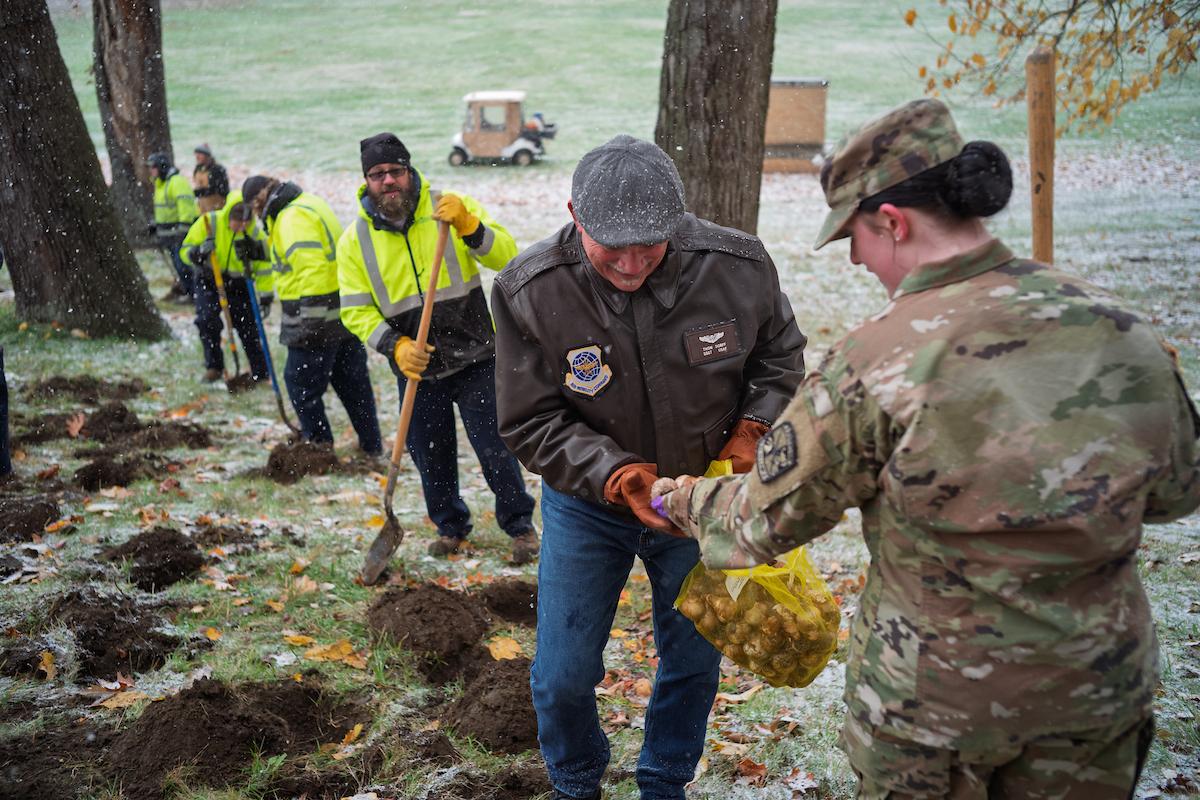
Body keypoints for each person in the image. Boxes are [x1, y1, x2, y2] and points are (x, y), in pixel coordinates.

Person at [654, 98, 1200, 799]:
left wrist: (682, 498)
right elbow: (1178, 491)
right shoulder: (1118, 328)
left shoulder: (875, 359)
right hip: (1095, 695)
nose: (856, 258)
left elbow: (763, 520)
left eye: (854, 237)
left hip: (935, 711)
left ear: (893, 221)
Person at [491, 134, 807, 800]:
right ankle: (576, 781)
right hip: (590, 503)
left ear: (678, 220)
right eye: (613, 248)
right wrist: (617, 475)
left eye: (651, 246)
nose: (632, 265)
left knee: (692, 659)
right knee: (562, 674)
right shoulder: (531, 289)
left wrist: (753, 431)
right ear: (575, 216)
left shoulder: (737, 266)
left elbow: (779, 358)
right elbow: (529, 419)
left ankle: (665, 781)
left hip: (702, 499)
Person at [337, 133, 538, 563]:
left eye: (395, 171)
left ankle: (520, 525)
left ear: (409, 171)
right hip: (417, 366)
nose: (388, 181)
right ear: (366, 180)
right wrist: (394, 346)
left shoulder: (450, 208)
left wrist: (471, 228)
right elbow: (354, 310)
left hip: (475, 354)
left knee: (496, 447)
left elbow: (506, 257)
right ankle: (450, 527)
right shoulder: (355, 240)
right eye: (377, 174)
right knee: (430, 454)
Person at [242, 174, 382, 456]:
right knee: (352, 383)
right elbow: (299, 255)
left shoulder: (291, 218)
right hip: (342, 311)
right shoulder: (306, 204)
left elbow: (313, 268)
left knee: (300, 384)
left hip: (317, 318)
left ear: (259, 201)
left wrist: (311, 324)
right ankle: (371, 445)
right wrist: (259, 251)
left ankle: (319, 448)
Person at [180, 190, 274, 382]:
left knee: (248, 327)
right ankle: (214, 367)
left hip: (239, 284)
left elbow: (264, 268)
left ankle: (260, 371)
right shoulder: (209, 223)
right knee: (207, 321)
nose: (241, 226)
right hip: (209, 279)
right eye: (237, 221)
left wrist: (266, 296)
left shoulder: (254, 234)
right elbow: (184, 251)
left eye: (246, 222)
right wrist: (198, 253)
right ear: (229, 214)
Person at [147, 152, 198, 301]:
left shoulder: (176, 182)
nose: (150, 171)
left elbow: (185, 207)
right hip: (170, 235)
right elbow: (165, 210)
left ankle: (195, 294)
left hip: (179, 234)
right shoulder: (160, 184)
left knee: (184, 266)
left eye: (153, 167)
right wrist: (156, 225)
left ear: (161, 167)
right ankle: (189, 293)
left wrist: (183, 229)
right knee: (179, 266)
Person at [192, 144, 230, 214]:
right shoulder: (197, 169)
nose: (197, 157)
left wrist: (198, 192)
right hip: (202, 209)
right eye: (196, 154)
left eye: (200, 154)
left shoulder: (217, 170)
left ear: (207, 156)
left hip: (217, 209)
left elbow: (220, 190)